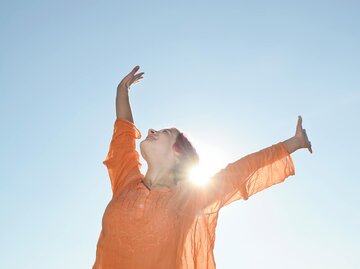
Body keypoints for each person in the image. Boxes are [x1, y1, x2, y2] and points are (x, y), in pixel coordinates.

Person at [92, 65, 313, 269]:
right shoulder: (125, 179)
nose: (151, 130)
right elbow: (124, 130)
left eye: (164, 132)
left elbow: (242, 170)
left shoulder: (189, 198)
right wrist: (122, 89)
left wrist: (295, 142)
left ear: (178, 152)